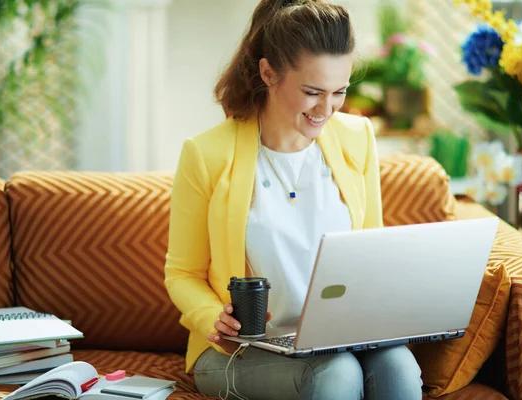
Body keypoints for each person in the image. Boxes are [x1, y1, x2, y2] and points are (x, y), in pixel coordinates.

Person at [164, 0, 423, 398]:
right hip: (242, 350)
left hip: (336, 338)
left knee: (398, 367)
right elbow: (182, 273)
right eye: (312, 92)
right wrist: (212, 316)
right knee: (335, 375)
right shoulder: (206, 155)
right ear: (268, 72)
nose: (327, 109)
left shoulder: (357, 139)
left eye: (339, 91)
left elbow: (370, 253)